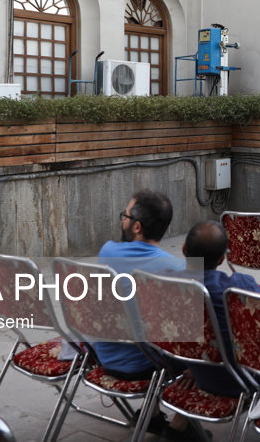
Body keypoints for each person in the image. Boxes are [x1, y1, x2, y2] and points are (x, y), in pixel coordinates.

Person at [96, 189, 208, 441]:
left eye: (124, 215)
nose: (121, 220)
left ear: (136, 227)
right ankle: (180, 426)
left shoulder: (107, 251)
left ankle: (154, 415)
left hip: (104, 356)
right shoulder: (180, 270)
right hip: (148, 364)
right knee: (214, 340)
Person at [180, 220, 260, 397]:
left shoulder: (163, 286)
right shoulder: (241, 287)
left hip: (199, 372)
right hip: (244, 380)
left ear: (183, 249)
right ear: (222, 259)